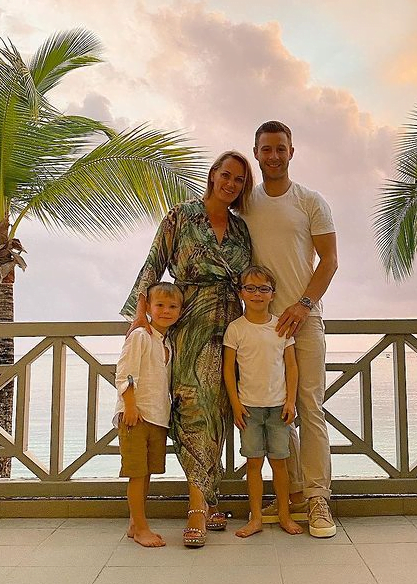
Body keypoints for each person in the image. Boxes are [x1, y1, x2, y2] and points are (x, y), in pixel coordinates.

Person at [120, 151, 253, 547]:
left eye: (239, 180)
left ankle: (208, 500)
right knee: (193, 408)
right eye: (225, 175)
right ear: (213, 175)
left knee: (218, 414)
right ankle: (196, 507)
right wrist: (139, 316)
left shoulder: (241, 228)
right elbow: (153, 263)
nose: (231, 184)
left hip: (229, 327)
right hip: (189, 323)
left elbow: (249, 279)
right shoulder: (181, 216)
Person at [241, 121, 338, 538]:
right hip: (261, 325)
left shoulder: (310, 201)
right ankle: (294, 493)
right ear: (256, 153)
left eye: (281, 148)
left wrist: (303, 305)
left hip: (304, 320)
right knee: (278, 409)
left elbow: (329, 261)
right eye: (266, 149)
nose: (274, 156)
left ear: (291, 152)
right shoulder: (246, 203)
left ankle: (318, 499)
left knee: (310, 407)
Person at [223, 265, 304, 538]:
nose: (257, 294)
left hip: (279, 408)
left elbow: (291, 366)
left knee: (280, 464)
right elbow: (228, 369)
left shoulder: (281, 327)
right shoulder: (236, 329)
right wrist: (235, 404)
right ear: (241, 293)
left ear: (272, 294)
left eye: (263, 289)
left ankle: (284, 515)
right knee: (254, 464)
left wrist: (291, 401)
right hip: (249, 409)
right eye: (250, 288)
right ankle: (256, 517)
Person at [114, 282, 182, 547]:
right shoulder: (140, 335)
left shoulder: (167, 343)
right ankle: (141, 528)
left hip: (157, 416)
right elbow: (125, 372)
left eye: (173, 306)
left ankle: (135, 523)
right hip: (137, 415)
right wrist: (130, 405)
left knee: (147, 474)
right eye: (160, 305)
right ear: (148, 308)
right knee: (137, 474)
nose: (166, 311)